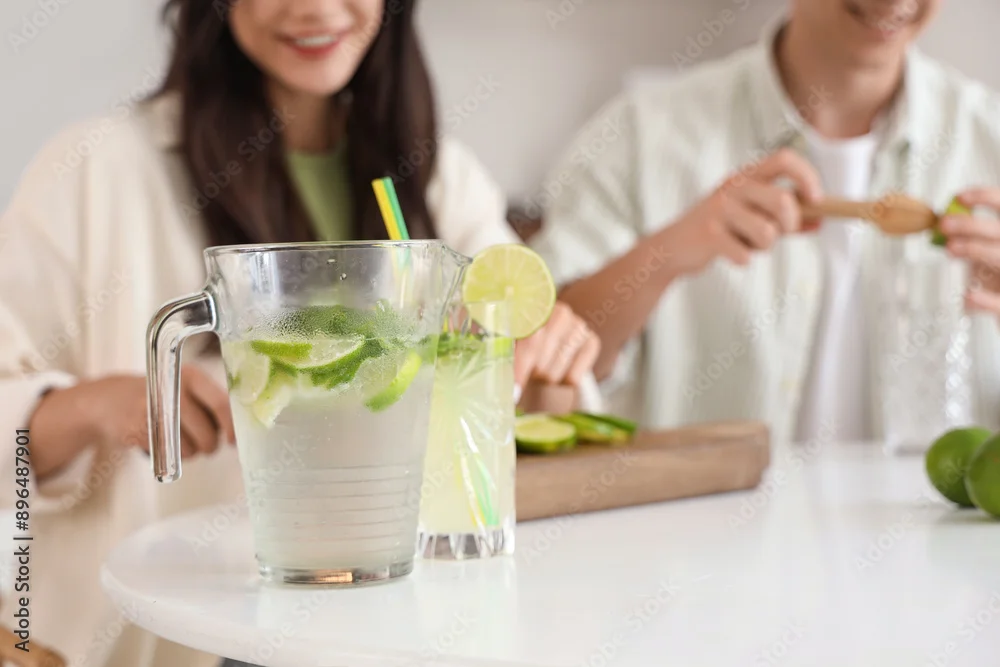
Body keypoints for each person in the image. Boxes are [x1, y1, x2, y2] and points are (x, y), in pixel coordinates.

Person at [0, 1, 600, 666]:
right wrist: (85, 406)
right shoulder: (95, 170)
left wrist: (547, 354)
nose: (315, 8)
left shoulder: (438, 177)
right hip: (163, 644)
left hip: (398, 633)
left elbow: (515, 397)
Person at [531, 0, 1000, 445]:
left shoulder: (988, 136)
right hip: (700, 506)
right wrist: (665, 255)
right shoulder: (640, 136)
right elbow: (537, 359)